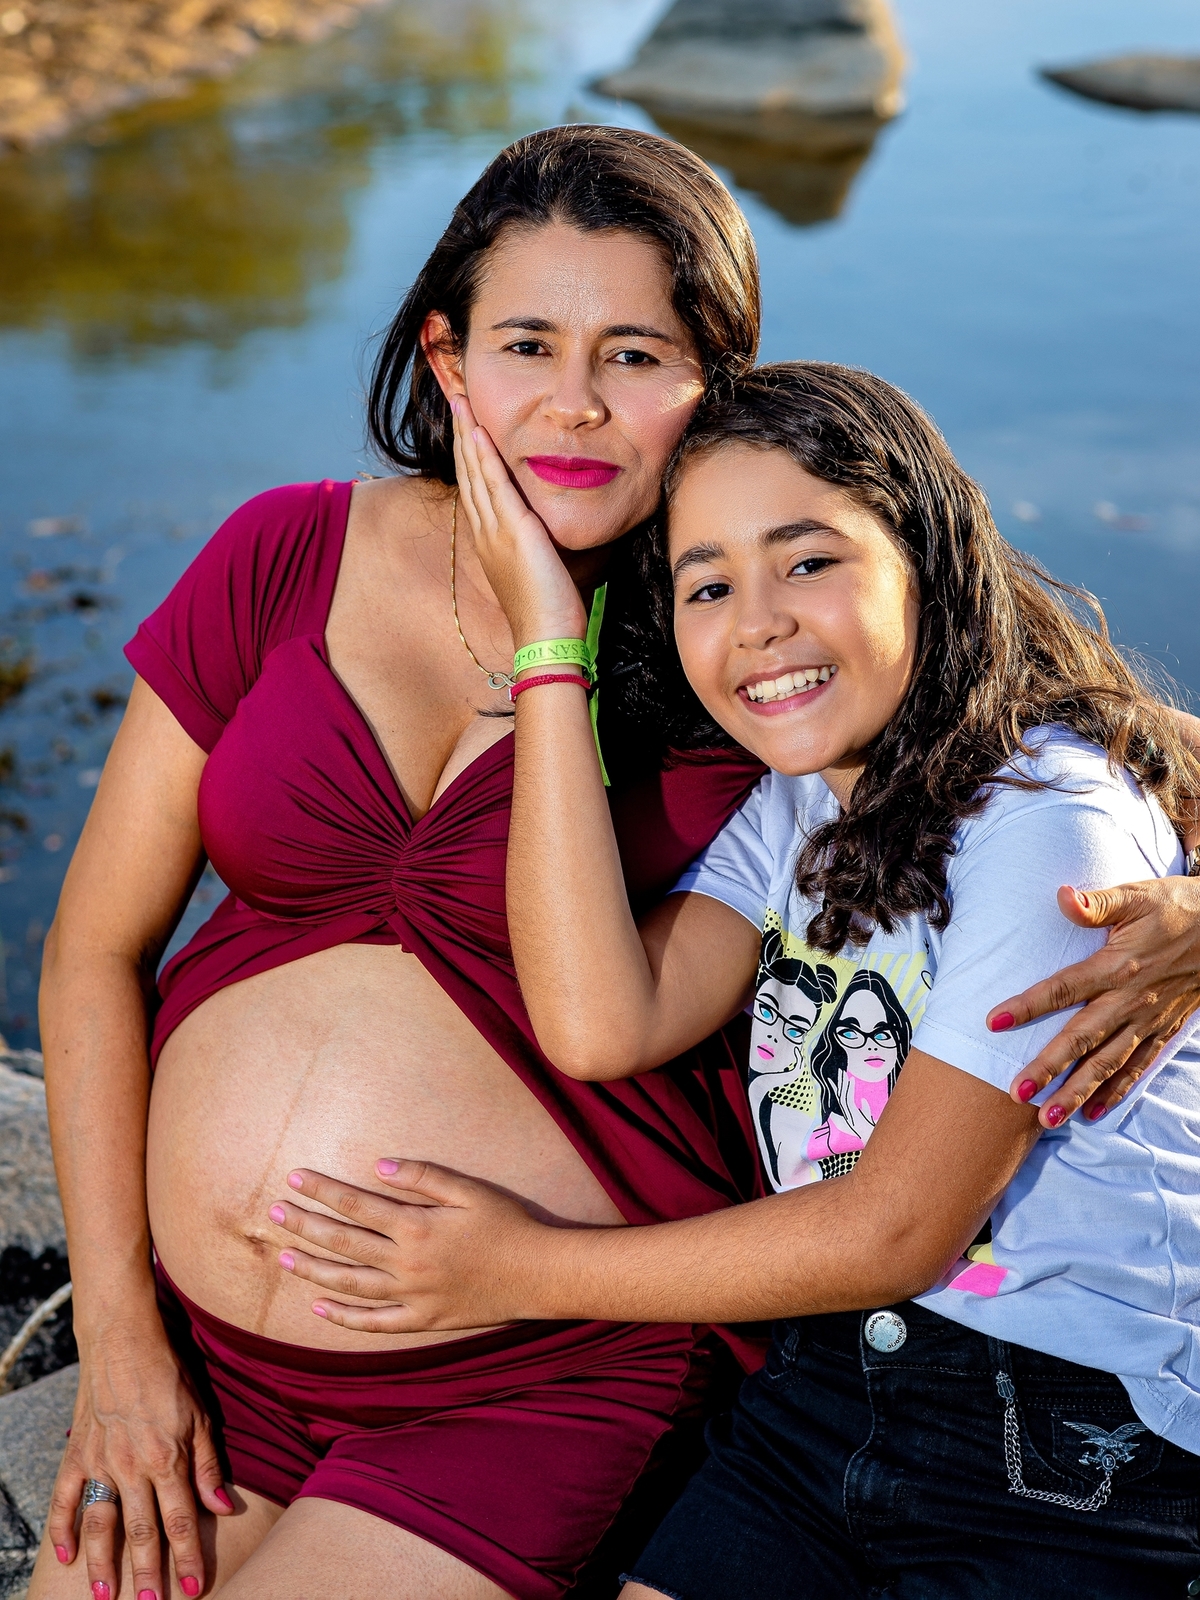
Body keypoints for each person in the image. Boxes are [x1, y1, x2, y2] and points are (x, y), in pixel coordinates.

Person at [270, 363, 1200, 1598]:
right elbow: (605, 1021)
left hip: (1070, 1437)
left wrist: (512, 1269)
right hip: (820, 1398)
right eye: (706, 584)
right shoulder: (793, 807)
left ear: (926, 559)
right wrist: (552, 652)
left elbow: (897, 1228)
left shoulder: (1045, 818)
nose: (755, 621)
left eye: (808, 561)